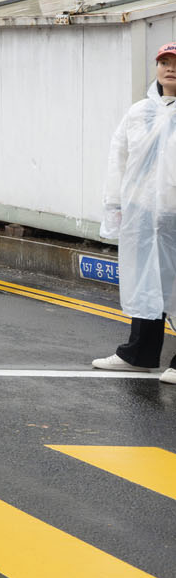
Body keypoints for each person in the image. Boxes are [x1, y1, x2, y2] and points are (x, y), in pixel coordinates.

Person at [92, 42, 176, 382]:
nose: (170, 68)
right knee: (146, 283)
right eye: (164, 62)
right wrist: (114, 207)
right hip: (143, 216)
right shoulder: (139, 113)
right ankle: (139, 354)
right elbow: (119, 160)